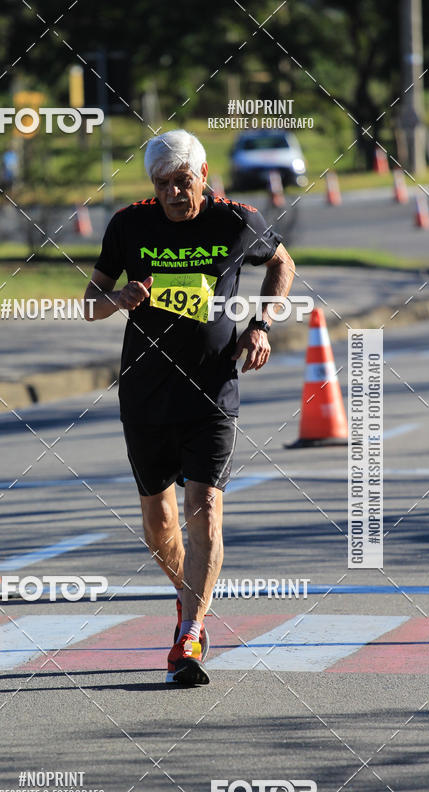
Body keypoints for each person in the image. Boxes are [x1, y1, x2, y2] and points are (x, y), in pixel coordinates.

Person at [84, 129, 295, 686]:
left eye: (182, 182)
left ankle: (191, 634)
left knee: (204, 507)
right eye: (162, 185)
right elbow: (89, 303)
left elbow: (282, 264)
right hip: (146, 393)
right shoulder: (128, 225)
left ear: (203, 175)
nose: (174, 194)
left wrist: (261, 324)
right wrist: (118, 299)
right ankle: (189, 596)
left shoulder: (236, 221)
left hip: (212, 391)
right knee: (159, 525)